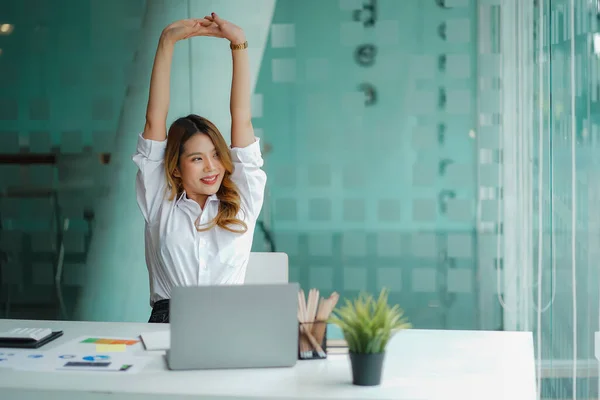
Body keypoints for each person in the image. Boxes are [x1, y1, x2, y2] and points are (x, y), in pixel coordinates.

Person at [132, 13, 267, 323]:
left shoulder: (243, 199)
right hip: (169, 323)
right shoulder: (159, 202)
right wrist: (167, 40)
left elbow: (242, 118)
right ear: (176, 168)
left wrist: (239, 43)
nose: (211, 167)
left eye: (216, 155)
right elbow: (154, 120)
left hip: (230, 323)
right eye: (196, 158)